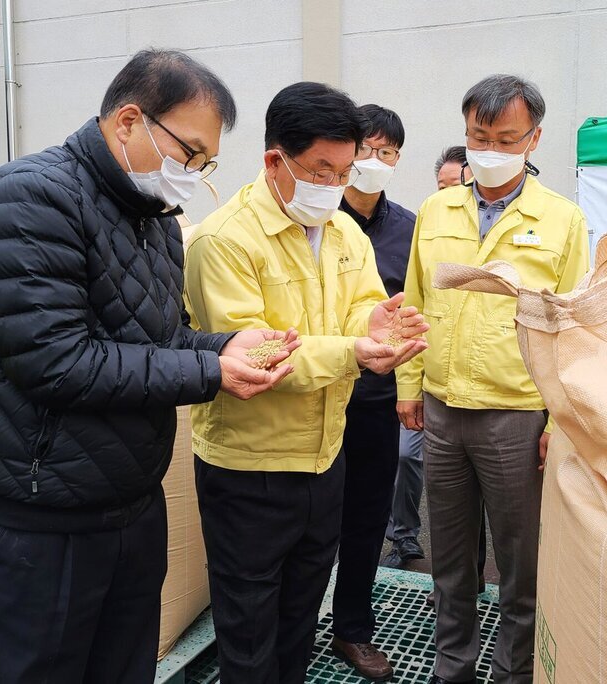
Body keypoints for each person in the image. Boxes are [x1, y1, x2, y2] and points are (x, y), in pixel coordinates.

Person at [0, 50, 297, 684]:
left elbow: (159, 341)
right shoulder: (27, 199)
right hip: (42, 512)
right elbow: (59, 362)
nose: (193, 173)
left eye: (205, 162)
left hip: (131, 503)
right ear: (131, 121)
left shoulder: (154, 221)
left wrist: (224, 348)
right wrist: (213, 374)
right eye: (188, 153)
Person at [183, 82, 429, 684]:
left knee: (299, 614)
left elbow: (362, 305)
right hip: (249, 467)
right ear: (275, 160)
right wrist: (356, 350)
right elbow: (258, 355)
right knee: (248, 622)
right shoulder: (224, 240)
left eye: (345, 172)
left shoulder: (344, 232)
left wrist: (375, 326)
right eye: (323, 170)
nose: (336, 186)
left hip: (325, 456)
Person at [397, 74, 590, 684]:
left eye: (505, 138)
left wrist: (559, 418)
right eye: (478, 136)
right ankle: (451, 668)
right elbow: (413, 301)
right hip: (443, 407)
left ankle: (515, 671)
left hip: (516, 413)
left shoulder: (561, 221)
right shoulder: (436, 208)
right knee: (451, 560)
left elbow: (573, 327)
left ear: (533, 139)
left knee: (519, 563)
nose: (489, 150)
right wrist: (409, 385)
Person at [328, 104, 416, 681]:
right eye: (365, 150)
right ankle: (294, 619)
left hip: (375, 399)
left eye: (386, 153)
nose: (374, 162)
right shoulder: (316, 216)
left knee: (365, 516)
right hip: (314, 388)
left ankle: (352, 629)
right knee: (308, 519)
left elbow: (414, 310)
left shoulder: (409, 227)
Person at [384, 145, 487, 608]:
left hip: (495, 391)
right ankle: (408, 540)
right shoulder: (428, 220)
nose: (451, 193)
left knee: (482, 498)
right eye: (443, 185)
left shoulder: (550, 219)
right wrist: (410, 386)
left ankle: (474, 579)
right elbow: (415, 303)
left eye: (457, 185)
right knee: (413, 464)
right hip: (427, 379)